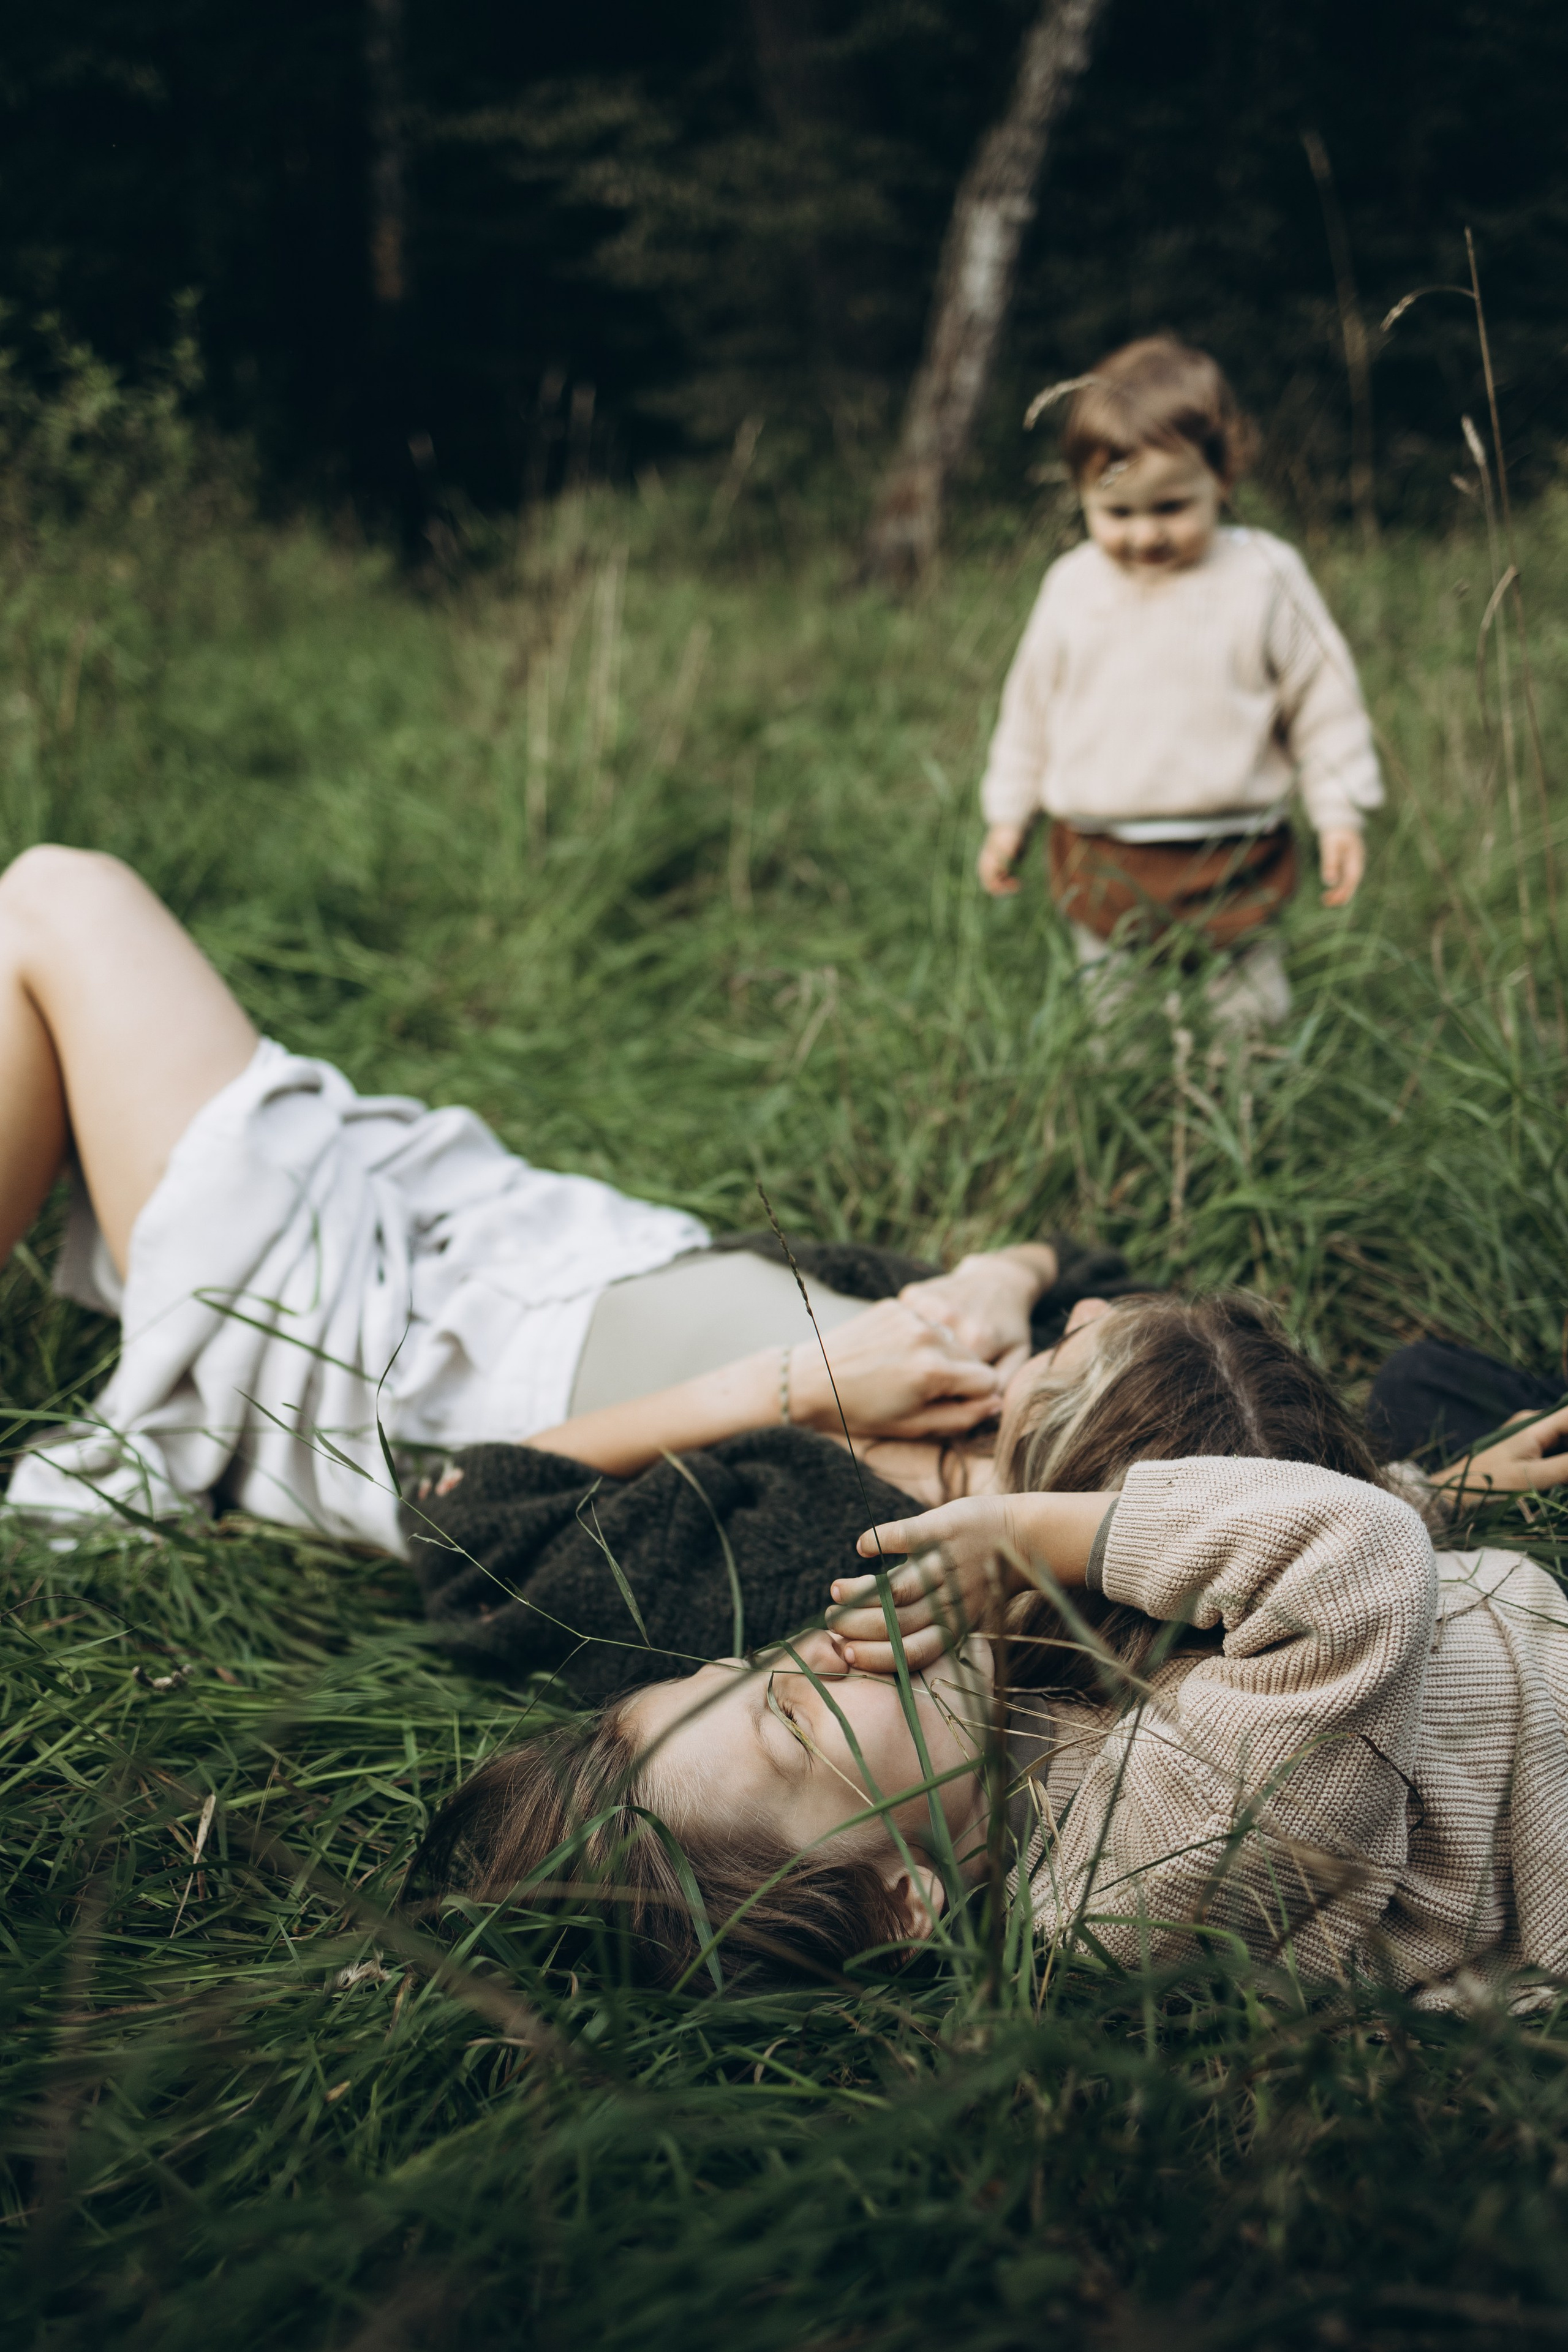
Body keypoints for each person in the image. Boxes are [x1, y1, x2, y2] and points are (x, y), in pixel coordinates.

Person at [418, 1292, 1568, 2010]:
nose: (817, 1651)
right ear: (900, 1904)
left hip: (1498, 1647)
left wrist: (1432, 1485)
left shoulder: (998, 1724)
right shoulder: (1127, 1891)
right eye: (791, 1713)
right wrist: (1031, 1533)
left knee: (1426, 1388)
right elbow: (1354, 1571)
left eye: (758, 1664)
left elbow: (1226, 1609)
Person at [0, 845, 1106, 1549]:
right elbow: (1100, 1276)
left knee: (53, 900)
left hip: (351, 1331)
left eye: (1104, 1352)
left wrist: (798, 1389)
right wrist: (1003, 1275)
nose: (1096, 1322)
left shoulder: (855, 1537)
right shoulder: (1015, 1373)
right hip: (471, 1217)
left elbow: (465, 1523)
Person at [976, 337, 1383, 1028]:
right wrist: (1008, 814)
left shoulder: (1264, 576)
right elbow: (1030, 709)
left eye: (1169, 507)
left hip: (1236, 848)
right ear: (1080, 495)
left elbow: (1324, 700)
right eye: (1117, 513)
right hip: (1102, 851)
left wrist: (1339, 810)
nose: (1143, 536)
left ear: (1220, 479)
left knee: (1249, 1011)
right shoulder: (1073, 587)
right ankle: (1133, 1113)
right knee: (1116, 1011)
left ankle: (1248, 1114)